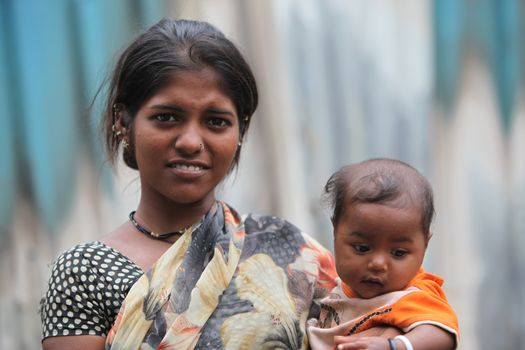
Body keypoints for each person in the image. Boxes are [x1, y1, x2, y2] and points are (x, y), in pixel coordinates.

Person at [39, 18, 452, 350]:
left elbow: (398, 319)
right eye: (167, 116)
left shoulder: (292, 255)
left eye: (216, 121)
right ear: (123, 121)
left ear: (240, 132)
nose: (190, 141)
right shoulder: (83, 272)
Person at [306, 158, 459, 350]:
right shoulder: (328, 285)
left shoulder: (410, 296)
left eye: (398, 253)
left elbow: (443, 334)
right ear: (335, 230)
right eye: (362, 248)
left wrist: (394, 346)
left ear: (425, 245)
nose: (378, 263)